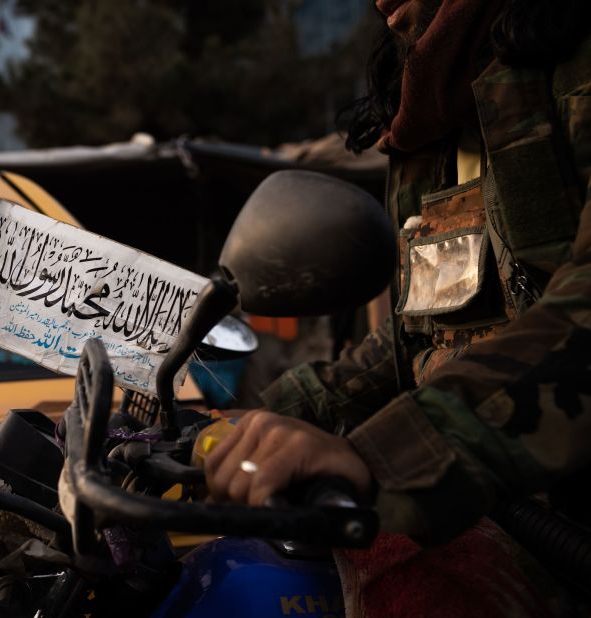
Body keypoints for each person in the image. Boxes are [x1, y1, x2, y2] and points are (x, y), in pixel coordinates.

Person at [205, 0, 591, 562]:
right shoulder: (432, 117)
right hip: (487, 522)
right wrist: (267, 418)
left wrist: (390, 455)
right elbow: (423, 335)